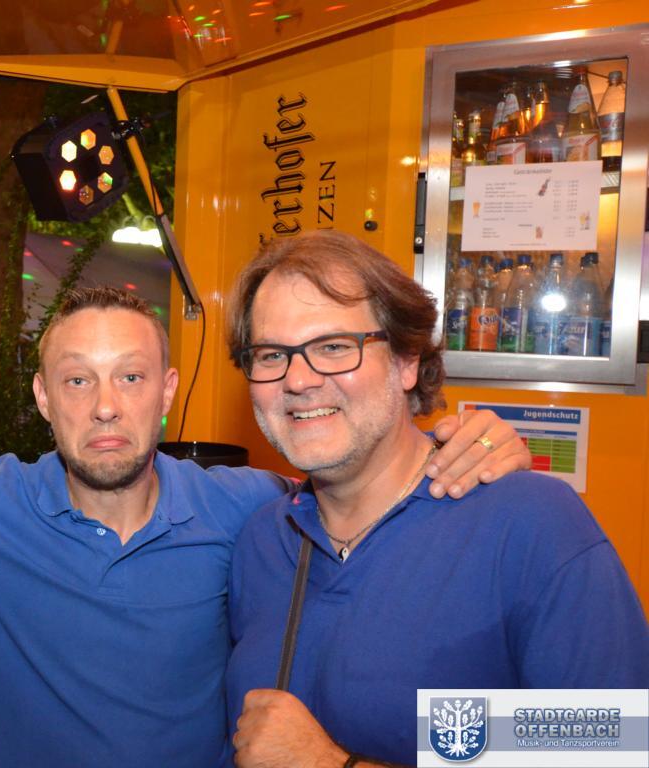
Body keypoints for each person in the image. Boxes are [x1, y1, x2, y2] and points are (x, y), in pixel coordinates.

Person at [0, 284, 527, 766]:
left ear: (168, 391)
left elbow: (589, 737)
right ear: (43, 398)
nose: (106, 405)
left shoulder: (265, 517)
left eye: (131, 377)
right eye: (77, 380)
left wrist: (465, 445)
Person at [223, 230, 649, 768]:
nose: (299, 380)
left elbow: (607, 743)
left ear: (406, 360)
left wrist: (330, 763)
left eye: (334, 347)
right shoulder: (262, 541)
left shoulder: (530, 525)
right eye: (270, 355)